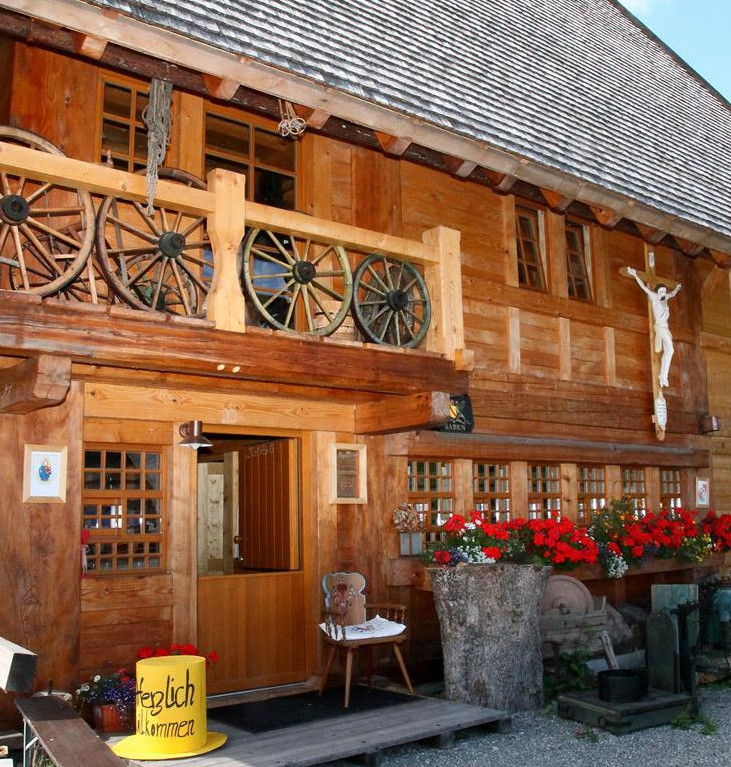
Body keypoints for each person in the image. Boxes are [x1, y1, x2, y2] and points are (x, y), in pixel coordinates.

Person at [626, 267, 681, 388]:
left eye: (664, 290)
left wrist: (677, 288)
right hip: (660, 326)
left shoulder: (665, 299)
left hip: (666, 328)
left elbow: (673, 293)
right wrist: (635, 275)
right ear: (657, 291)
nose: (663, 292)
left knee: (669, 351)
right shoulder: (654, 297)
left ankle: (663, 376)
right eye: (661, 290)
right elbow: (644, 288)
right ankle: (663, 376)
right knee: (670, 350)